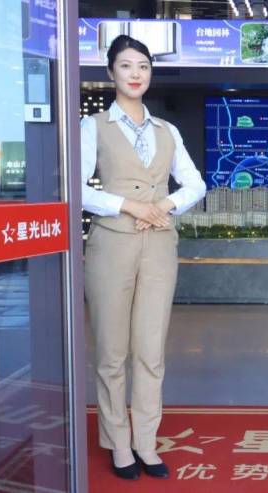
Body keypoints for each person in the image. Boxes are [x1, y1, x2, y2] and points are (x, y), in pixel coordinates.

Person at [81, 35, 206, 480]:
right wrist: (130, 206)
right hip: (111, 245)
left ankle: (146, 443)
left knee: (151, 352)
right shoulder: (93, 126)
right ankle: (118, 443)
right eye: (126, 65)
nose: (136, 74)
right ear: (111, 72)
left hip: (159, 246)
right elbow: (78, 189)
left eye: (143, 66)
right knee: (111, 353)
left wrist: (164, 206)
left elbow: (195, 184)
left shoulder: (167, 131)